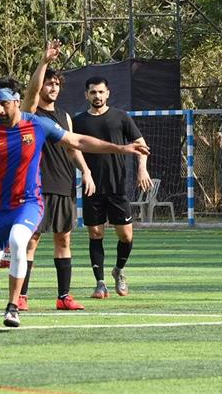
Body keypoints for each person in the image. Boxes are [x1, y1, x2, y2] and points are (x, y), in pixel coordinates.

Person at [0, 77, 149, 328]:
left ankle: (13, 307)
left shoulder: (37, 124)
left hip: (29, 202)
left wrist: (121, 149)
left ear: (17, 101)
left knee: (19, 241)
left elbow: (77, 142)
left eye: (4, 103)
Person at [17, 40, 94, 311]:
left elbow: (73, 148)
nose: (52, 88)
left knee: (64, 239)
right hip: (36, 187)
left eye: (56, 84)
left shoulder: (65, 116)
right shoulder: (29, 113)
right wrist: (44, 61)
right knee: (31, 241)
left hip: (63, 185)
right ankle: (21, 297)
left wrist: (85, 171)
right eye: (49, 83)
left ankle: (64, 297)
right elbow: (31, 90)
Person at [72, 76, 152, 299]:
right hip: (92, 188)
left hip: (117, 187)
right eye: (92, 92)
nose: (97, 96)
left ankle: (119, 270)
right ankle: (100, 283)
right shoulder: (78, 122)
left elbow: (141, 146)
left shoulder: (121, 117)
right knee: (95, 233)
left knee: (126, 236)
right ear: (86, 95)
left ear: (108, 93)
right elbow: (72, 148)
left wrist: (142, 169)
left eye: (100, 92)